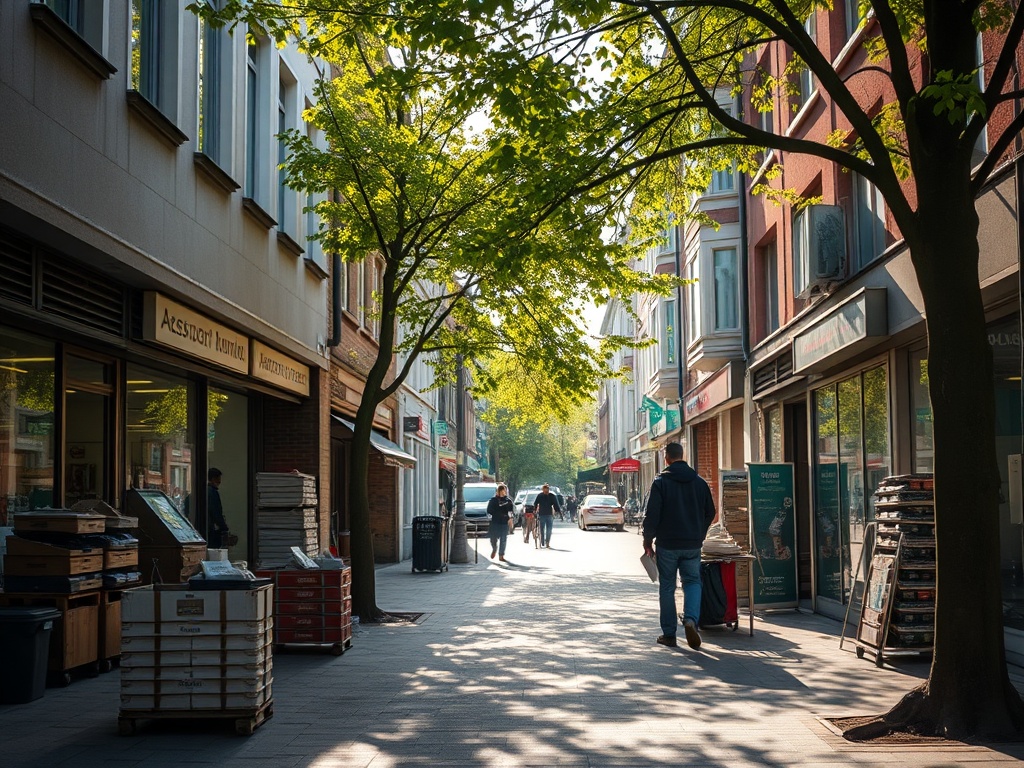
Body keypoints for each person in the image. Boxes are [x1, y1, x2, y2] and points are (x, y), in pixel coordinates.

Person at [642, 442, 716, 650]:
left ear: (666, 458)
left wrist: (648, 540)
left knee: (667, 587)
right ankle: (691, 620)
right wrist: (699, 533)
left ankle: (669, 634)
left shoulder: (661, 482)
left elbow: (652, 515)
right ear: (683, 456)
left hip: (668, 544)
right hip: (692, 544)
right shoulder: (699, 482)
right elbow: (710, 511)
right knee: (692, 581)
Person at [487, 483, 514, 561]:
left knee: (503, 539)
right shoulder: (493, 500)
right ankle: (494, 549)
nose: (503, 492)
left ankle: (501, 555)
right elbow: (489, 510)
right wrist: (497, 513)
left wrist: (510, 519)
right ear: (498, 491)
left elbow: (510, 511)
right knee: (493, 539)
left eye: (504, 490)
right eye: (502, 490)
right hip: (495, 522)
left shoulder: (508, 501)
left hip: (504, 523)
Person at [205, 468, 230, 549]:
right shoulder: (212, 492)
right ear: (213, 479)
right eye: (218, 479)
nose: (220, 482)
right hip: (210, 530)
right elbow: (216, 512)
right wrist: (224, 527)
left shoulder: (197, 491)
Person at [534, 483, 561, 548]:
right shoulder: (540, 496)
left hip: (549, 514)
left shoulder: (552, 496)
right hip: (542, 514)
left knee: (549, 529)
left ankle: (547, 542)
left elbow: (556, 504)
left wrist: (558, 511)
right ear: (543, 490)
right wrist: (535, 510)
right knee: (542, 529)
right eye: (545, 490)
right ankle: (542, 541)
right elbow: (535, 503)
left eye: (547, 490)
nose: (546, 491)